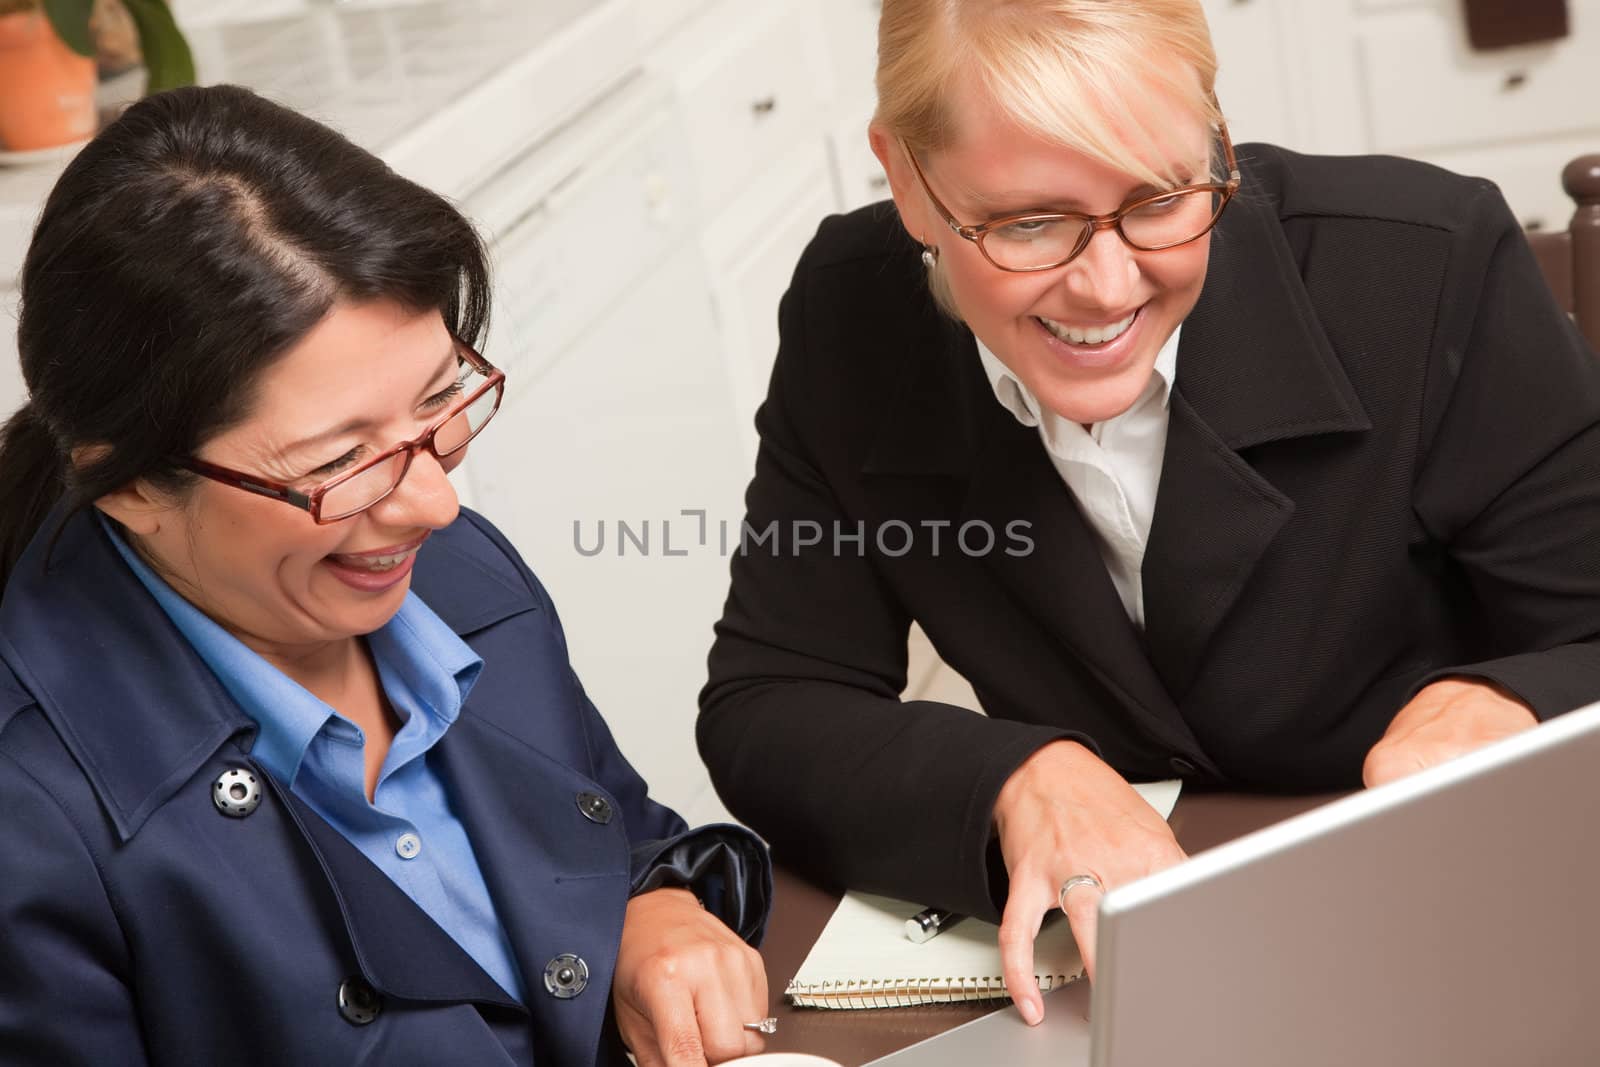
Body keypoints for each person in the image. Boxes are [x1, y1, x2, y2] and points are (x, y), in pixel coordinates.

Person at [697, 0, 1600, 1027]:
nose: (1106, 286)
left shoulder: (1424, 261)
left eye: (1163, 198)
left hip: (1455, 932)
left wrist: (1501, 701)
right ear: (905, 178)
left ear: (1213, 136)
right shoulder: (847, 306)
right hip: (1129, 981)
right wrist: (1019, 774)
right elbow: (770, 698)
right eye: (1029, 221)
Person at [0, 84, 771, 1067]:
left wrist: (653, 905)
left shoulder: (451, 578)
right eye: (338, 462)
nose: (435, 505)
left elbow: (607, 830)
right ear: (134, 479)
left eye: (441, 399)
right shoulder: (31, 820)